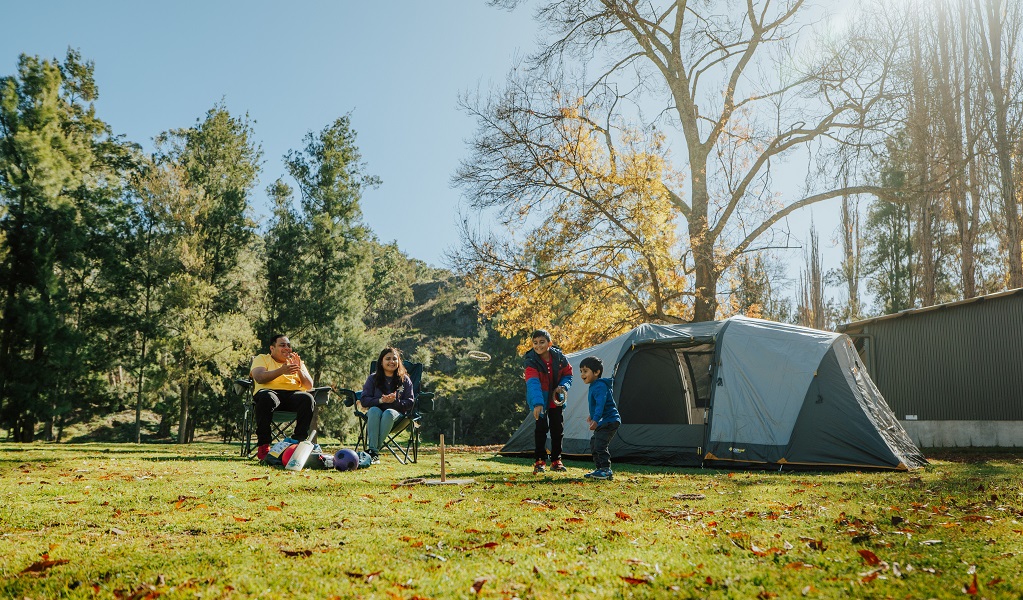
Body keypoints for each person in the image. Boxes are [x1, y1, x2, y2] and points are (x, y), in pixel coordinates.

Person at [250, 334, 315, 462]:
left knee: (307, 398)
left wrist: (299, 368)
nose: (287, 348)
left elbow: (309, 385)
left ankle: (298, 443)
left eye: (288, 345)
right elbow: (259, 377)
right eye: (282, 345)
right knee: (266, 397)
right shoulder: (262, 358)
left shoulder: (297, 361)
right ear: (272, 348)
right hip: (269, 394)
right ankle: (264, 446)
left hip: (293, 396)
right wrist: (281, 371)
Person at [523, 329, 573, 474]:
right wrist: (537, 403)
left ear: (549, 343)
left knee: (558, 429)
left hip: (556, 399)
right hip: (540, 399)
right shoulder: (531, 361)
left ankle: (556, 460)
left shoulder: (560, 357)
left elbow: (568, 374)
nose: (538, 346)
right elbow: (533, 383)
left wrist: (563, 387)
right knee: (541, 429)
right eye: (535, 343)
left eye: (542, 342)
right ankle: (540, 461)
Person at [360, 346, 415, 464]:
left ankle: (372, 451)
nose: (392, 362)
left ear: (398, 361)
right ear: (381, 362)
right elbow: (364, 400)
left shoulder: (405, 380)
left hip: (397, 418)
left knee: (388, 412)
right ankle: (374, 453)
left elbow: (410, 402)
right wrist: (381, 401)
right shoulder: (373, 378)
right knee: (374, 410)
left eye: (394, 359)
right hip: (375, 415)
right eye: (388, 359)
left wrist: (395, 402)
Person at [579, 356, 621, 480]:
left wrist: (596, 419)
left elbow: (601, 403)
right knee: (594, 443)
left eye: (585, 371)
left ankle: (606, 470)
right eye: (581, 371)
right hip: (605, 420)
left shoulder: (599, 386)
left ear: (596, 372)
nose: (582, 374)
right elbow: (597, 404)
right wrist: (592, 416)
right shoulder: (594, 385)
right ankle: (599, 469)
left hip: (609, 420)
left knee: (600, 445)